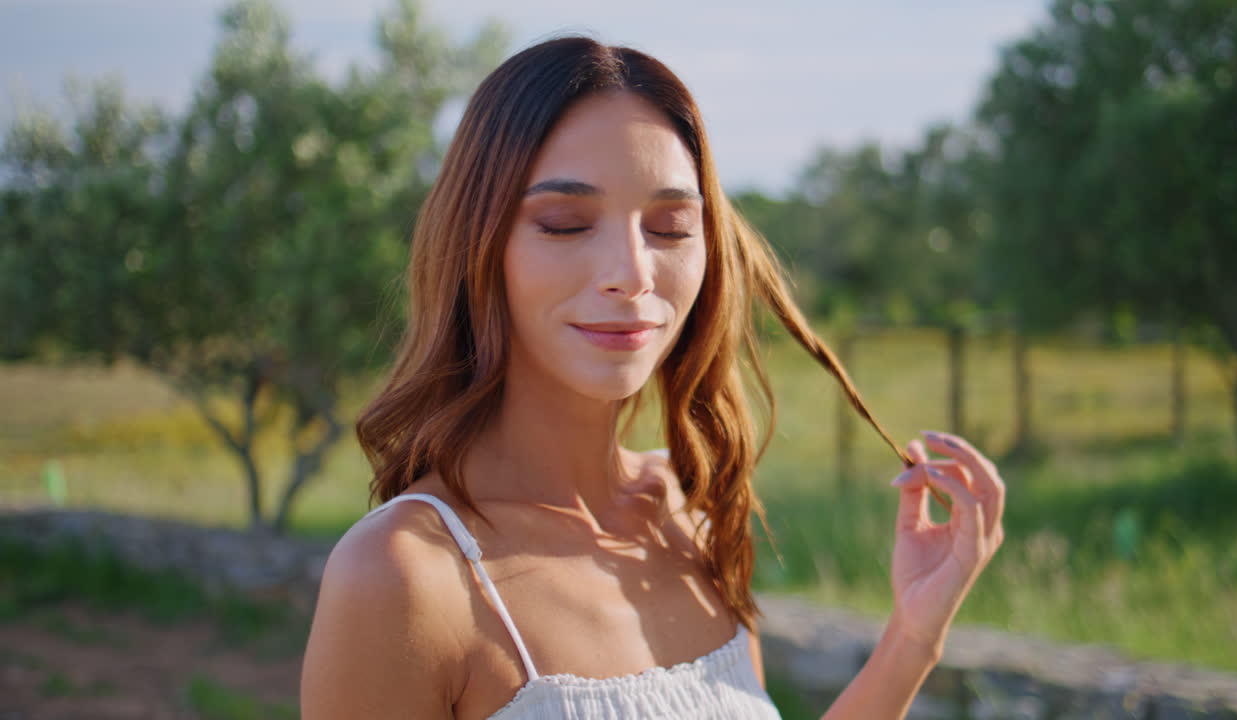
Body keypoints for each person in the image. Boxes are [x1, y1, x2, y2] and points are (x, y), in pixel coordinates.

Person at [299, 35, 1005, 720]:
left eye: (670, 228)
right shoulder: (404, 574)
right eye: (565, 223)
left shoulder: (691, 510)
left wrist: (913, 637)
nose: (633, 273)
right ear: (474, 245)